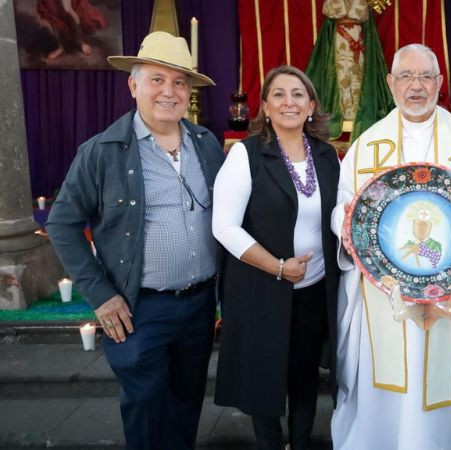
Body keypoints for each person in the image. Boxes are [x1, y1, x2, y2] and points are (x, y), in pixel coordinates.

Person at [46, 31, 223, 448]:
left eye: (180, 82)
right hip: (138, 308)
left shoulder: (206, 143)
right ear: (133, 85)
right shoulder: (102, 150)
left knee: (186, 404)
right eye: (157, 80)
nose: (169, 91)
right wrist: (102, 296)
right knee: (145, 407)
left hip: (200, 305)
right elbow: (62, 223)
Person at [330, 43, 451, 450]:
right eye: (406, 77)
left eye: (425, 77)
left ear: (439, 83)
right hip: (386, 291)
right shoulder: (367, 144)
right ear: (392, 83)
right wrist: (344, 225)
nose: (416, 86)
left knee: (445, 376)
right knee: (389, 375)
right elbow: (344, 203)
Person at [212, 65, 340, 450]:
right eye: (279, 94)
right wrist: (279, 268)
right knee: (264, 376)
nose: (290, 102)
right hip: (260, 286)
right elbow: (224, 227)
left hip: (314, 289)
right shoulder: (245, 155)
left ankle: (301, 442)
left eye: (299, 94)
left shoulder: (327, 155)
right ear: (265, 106)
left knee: (304, 377)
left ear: (312, 105)